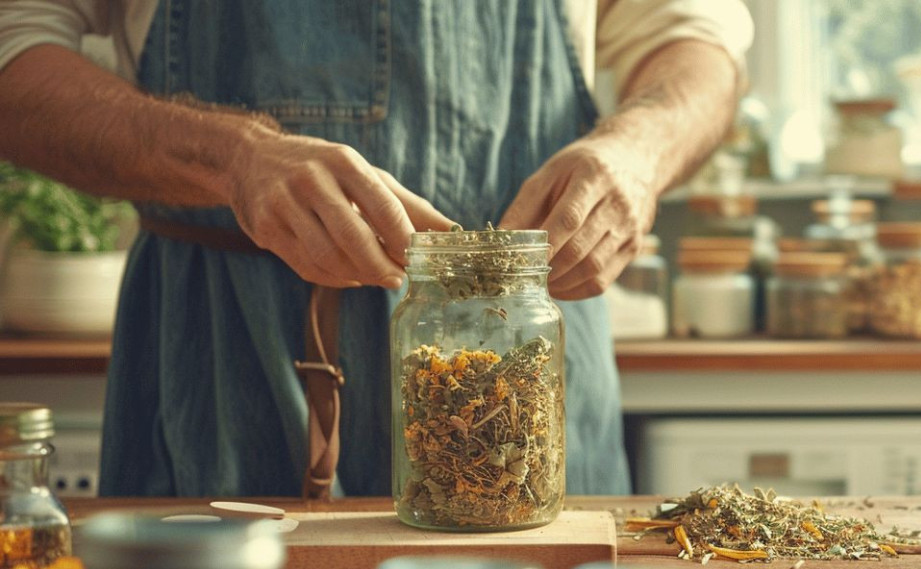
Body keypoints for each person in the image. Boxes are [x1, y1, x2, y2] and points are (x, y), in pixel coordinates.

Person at [0, 0, 752, 497]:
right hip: (224, 352)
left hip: (523, 341)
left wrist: (639, 151)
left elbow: (699, 41)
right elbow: (16, 51)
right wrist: (233, 158)